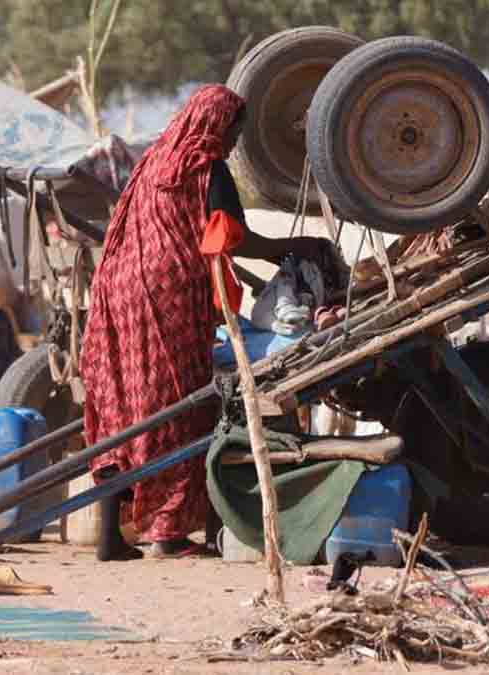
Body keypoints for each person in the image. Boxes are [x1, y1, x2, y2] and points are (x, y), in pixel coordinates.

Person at [80, 84, 337, 561]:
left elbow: (200, 238)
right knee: (176, 405)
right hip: (166, 294)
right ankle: (168, 533)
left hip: (116, 290)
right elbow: (230, 240)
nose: (234, 143)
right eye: (234, 132)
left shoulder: (155, 161)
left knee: (124, 407)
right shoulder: (206, 166)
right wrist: (295, 245)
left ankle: (111, 536)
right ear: (218, 127)